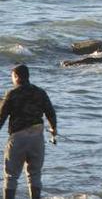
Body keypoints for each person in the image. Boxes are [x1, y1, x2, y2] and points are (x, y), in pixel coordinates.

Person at [1, 64, 57, 199]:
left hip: (18, 137)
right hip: (37, 136)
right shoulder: (40, 92)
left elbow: (1, 117)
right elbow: (51, 113)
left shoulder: (12, 94)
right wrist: (53, 130)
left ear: (16, 77)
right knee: (35, 174)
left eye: (12, 77)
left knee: (11, 176)